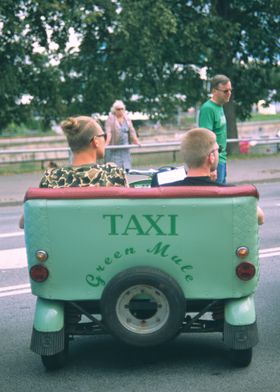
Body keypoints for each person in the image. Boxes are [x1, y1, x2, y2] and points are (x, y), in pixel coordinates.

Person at [19, 116, 128, 228]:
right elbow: (128, 215)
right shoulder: (113, 174)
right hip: (103, 242)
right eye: (103, 136)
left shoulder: (51, 178)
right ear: (95, 141)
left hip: (62, 244)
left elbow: (24, 222)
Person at [159, 128, 264, 225]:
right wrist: (213, 184)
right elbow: (260, 218)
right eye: (218, 150)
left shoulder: (164, 192)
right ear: (211, 157)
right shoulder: (231, 193)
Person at [198, 74, 232, 184]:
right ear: (214, 91)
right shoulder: (208, 109)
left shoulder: (220, 106)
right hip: (214, 163)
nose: (229, 94)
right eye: (225, 91)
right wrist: (211, 167)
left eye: (230, 90)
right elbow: (205, 139)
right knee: (217, 198)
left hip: (222, 159)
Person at [105, 100, 140, 171]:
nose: (120, 110)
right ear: (114, 110)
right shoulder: (110, 119)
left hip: (125, 147)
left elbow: (132, 130)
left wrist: (136, 141)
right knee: (115, 169)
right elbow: (109, 132)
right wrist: (106, 143)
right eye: (118, 109)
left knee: (126, 168)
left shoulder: (127, 118)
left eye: (122, 109)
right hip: (115, 147)